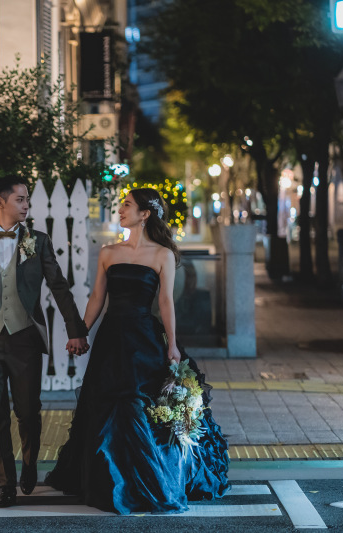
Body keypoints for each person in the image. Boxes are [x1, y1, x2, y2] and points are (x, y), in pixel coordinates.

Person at [45, 188, 230, 514]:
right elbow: (97, 299)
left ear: (145, 214)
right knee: (103, 404)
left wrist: (172, 344)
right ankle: (110, 481)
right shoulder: (108, 252)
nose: (121, 210)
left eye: (127, 205)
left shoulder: (162, 255)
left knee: (135, 403)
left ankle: (144, 481)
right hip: (111, 338)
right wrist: (80, 333)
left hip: (143, 339)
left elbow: (165, 302)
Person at [0, 176, 89, 508]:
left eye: (27, 199)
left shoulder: (39, 241)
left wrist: (76, 330)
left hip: (25, 338)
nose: (26, 204)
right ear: (1, 202)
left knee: (28, 411)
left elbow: (59, 286)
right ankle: (6, 484)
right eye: (20, 199)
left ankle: (29, 464)